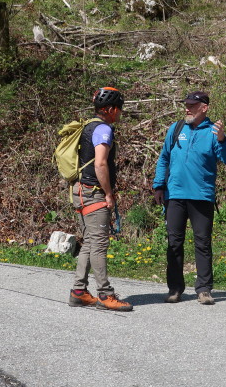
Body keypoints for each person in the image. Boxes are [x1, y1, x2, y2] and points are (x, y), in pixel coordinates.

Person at [153, 91, 226, 305]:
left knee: (202, 244)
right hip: (175, 195)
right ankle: (175, 288)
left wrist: (223, 139)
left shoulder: (213, 131)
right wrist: (158, 185)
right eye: (186, 104)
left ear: (204, 108)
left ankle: (204, 289)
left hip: (201, 197)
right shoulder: (176, 128)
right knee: (174, 243)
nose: (187, 108)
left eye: (192, 105)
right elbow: (164, 158)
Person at [68, 87, 133, 312]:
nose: (121, 113)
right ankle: (105, 294)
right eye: (120, 109)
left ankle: (78, 291)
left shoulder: (89, 125)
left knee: (89, 241)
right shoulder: (104, 129)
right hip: (94, 192)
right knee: (99, 244)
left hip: (81, 191)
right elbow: (100, 164)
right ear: (111, 109)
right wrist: (108, 193)